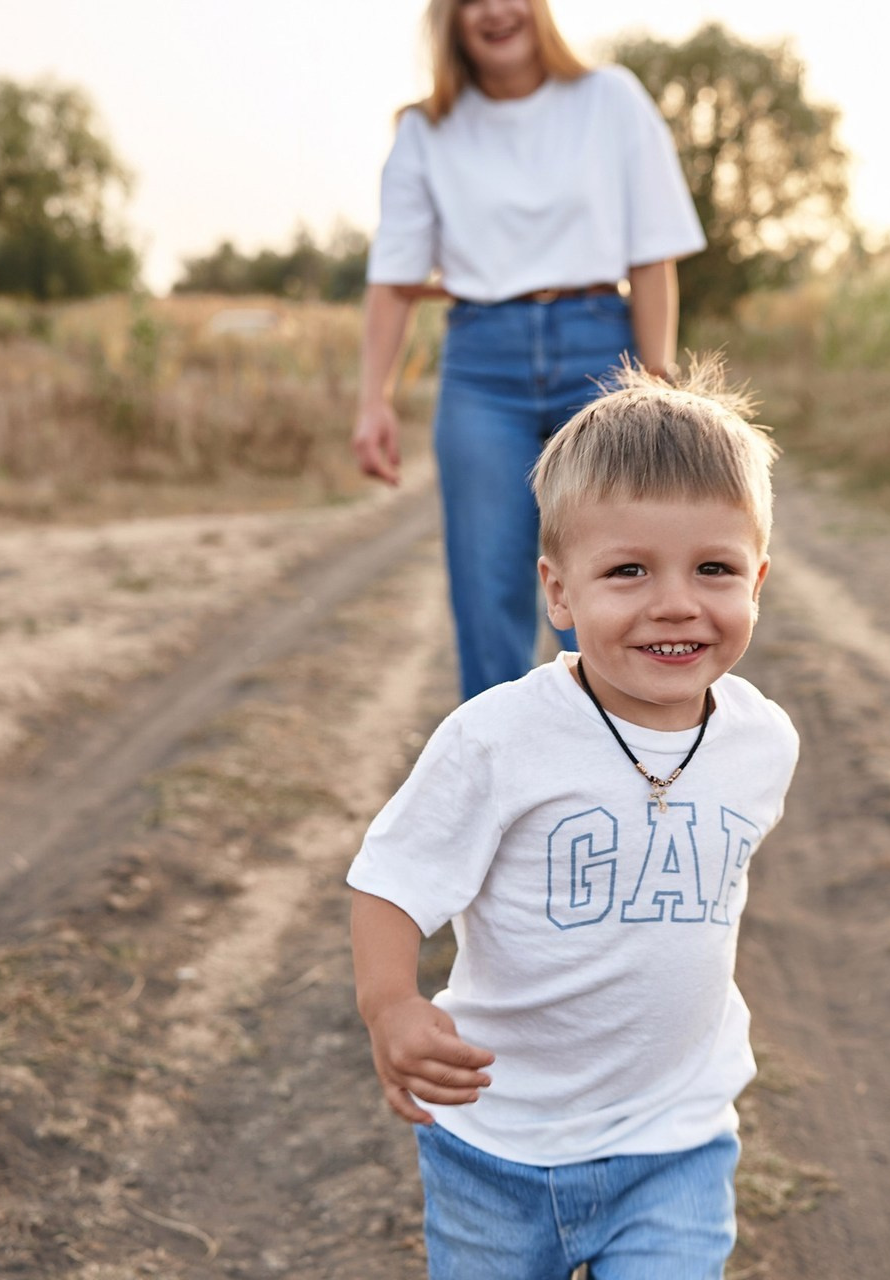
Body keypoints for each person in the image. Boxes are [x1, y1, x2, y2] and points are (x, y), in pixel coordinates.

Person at [348, 360, 800, 1279]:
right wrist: (391, 1004)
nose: (675, 601)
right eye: (628, 570)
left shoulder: (763, 741)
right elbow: (390, 882)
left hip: (676, 1141)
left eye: (713, 569)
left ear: (757, 578)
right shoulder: (499, 738)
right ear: (559, 592)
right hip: (496, 1148)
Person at [351, 0, 706, 702]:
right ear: (448, 18)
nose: (494, 10)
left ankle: (624, 776)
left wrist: (655, 382)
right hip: (483, 365)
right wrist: (373, 400)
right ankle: (507, 796)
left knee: (617, 581)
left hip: (603, 352)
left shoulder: (611, 100)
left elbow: (654, 256)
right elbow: (393, 282)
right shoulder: (426, 132)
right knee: (488, 595)